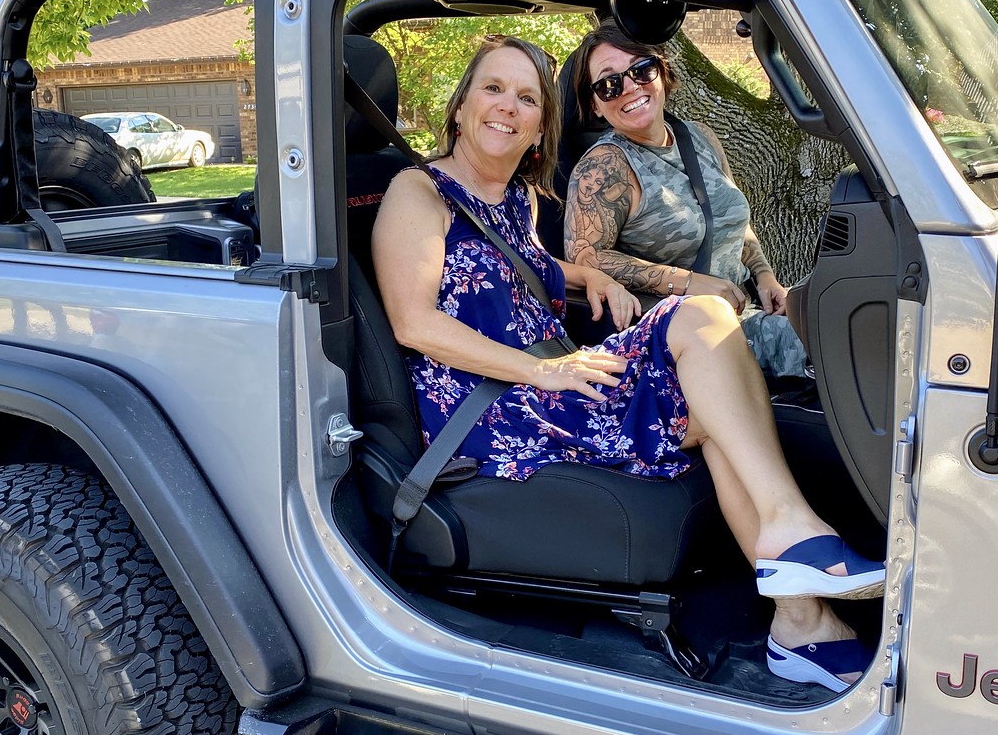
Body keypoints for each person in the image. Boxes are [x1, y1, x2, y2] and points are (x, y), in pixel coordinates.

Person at [370, 35, 883, 691]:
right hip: (493, 407)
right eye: (493, 88)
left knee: (716, 401)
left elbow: (525, 264)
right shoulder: (417, 192)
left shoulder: (518, 198)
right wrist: (541, 369)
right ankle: (796, 556)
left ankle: (799, 614)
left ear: (541, 126)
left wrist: (587, 274)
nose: (508, 106)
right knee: (699, 315)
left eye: (526, 97)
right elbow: (414, 322)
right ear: (461, 104)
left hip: (556, 381)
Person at [563, 21, 807, 380]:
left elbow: (730, 219)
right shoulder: (605, 166)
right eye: (609, 84)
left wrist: (766, 277)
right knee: (841, 345)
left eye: (641, 69)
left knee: (848, 312)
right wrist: (688, 282)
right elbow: (584, 256)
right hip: (693, 336)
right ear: (595, 105)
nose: (629, 87)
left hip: (749, 308)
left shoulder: (698, 137)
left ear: (661, 72)